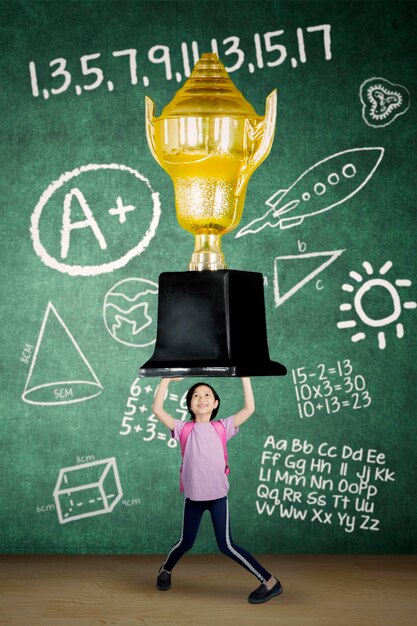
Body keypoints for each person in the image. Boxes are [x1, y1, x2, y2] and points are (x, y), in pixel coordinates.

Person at [152, 377, 283, 604]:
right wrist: (166, 380)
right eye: (195, 396)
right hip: (193, 498)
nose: (201, 398)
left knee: (227, 545)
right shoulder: (183, 428)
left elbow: (250, 408)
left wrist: (244, 377)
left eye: (207, 395)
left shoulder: (223, 426)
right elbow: (157, 409)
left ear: (215, 404)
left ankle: (270, 582)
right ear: (190, 405)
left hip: (218, 499)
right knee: (186, 542)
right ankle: (166, 569)